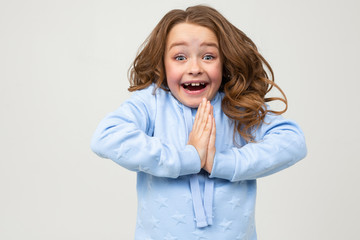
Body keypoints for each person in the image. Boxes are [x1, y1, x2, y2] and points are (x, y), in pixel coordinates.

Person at [91, 5, 307, 240]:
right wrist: (189, 157)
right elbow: (106, 137)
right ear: (162, 63)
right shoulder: (152, 103)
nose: (194, 68)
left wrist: (220, 162)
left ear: (224, 62)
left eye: (208, 57)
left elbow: (293, 142)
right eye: (180, 57)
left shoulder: (236, 105)